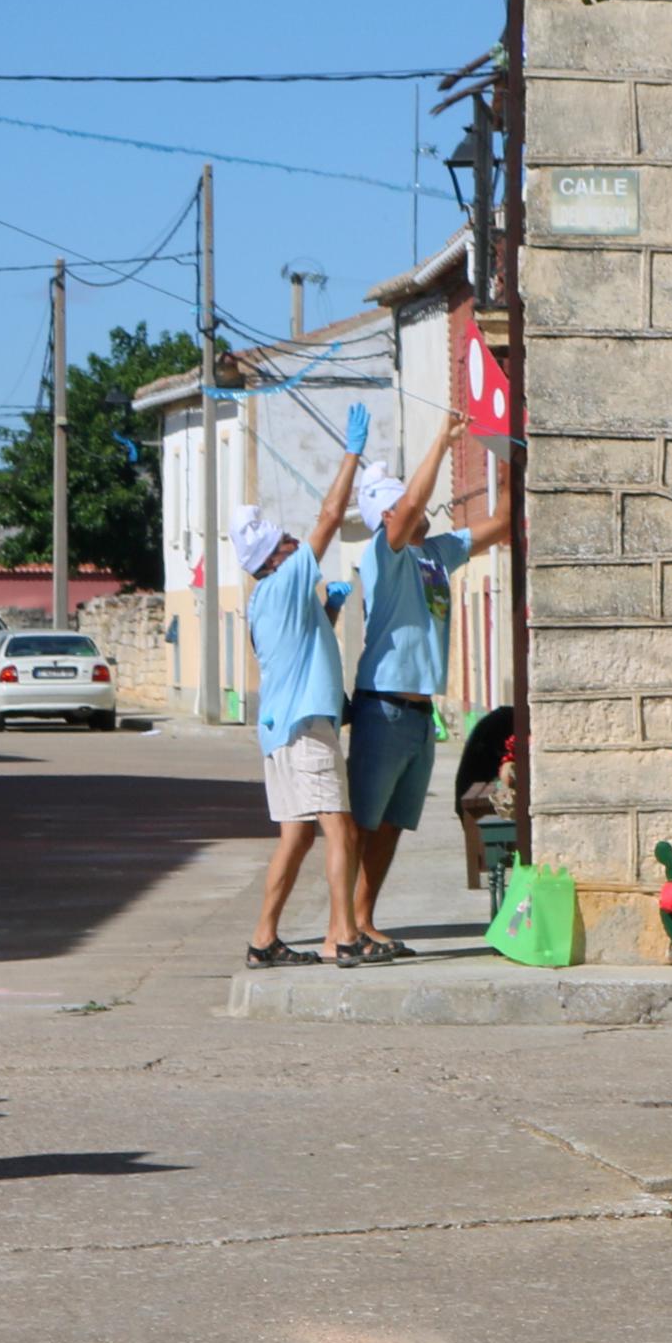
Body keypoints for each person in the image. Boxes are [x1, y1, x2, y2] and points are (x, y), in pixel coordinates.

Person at [339, 405, 508, 956]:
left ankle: (365, 920)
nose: (419, 513)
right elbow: (410, 504)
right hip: (381, 708)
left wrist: (510, 455)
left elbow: (501, 523)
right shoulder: (382, 556)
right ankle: (341, 928)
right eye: (402, 510)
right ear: (386, 517)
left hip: (418, 715)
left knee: (391, 826)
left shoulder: (435, 556)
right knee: (362, 824)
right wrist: (442, 439)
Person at [237, 411, 371, 969]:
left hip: (278, 731)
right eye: (288, 542)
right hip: (308, 726)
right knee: (340, 826)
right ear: (274, 557)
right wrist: (351, 454)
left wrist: (329, 613)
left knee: (296, 837)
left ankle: (263, 939)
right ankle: (341, 934)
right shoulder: (289, 577)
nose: (298, 544)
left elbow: (297, 649)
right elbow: (333, 514)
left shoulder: (265, 601)